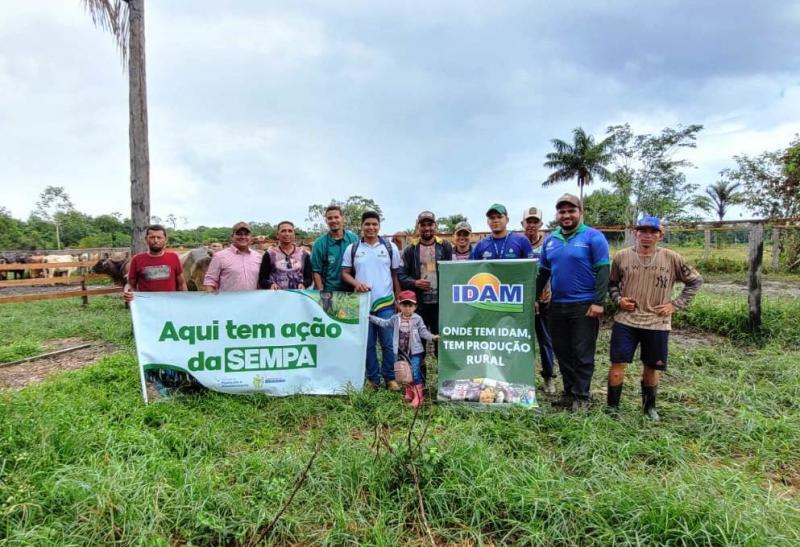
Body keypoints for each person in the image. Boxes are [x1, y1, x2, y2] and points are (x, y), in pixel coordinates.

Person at [606, 216, 703, 421]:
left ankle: (649, 407)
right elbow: (611, 283)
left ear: (660, 235)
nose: (647, 235)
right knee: (617, 364)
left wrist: (675, 305)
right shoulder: (621, 257)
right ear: (635, 233)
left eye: (652, 231)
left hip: (657, 322)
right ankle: (612, 408)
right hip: (626, 321)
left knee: (652, 366)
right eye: (642, 231)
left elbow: (695, 281)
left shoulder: (671, 258)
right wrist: (618, 300)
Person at [536, 194, 610, 411]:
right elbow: (543, 272)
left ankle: (582, 396)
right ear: (557, 215)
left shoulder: (593, 237)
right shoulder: (551, 240)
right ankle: (569, 393)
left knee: (582, 352)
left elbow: (603, 270)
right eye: (562, 211)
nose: (566, 215)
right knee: (562, 350)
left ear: (580, 212)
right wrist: (535, 298)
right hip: (557, 305)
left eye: (571, 211)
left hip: (584, 305)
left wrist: (599, 302)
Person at [341, 210, 402, 390]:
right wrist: (356, 283)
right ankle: (373, 380)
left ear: (379, 226)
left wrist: (398, 298)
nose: (371, 227)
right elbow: (344, 273)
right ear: (361, 226)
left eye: (374, 224)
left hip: (386, 303)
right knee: (367, 344)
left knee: (388, 343)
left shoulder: (390, 248)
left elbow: (395, 274)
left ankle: (390, 378)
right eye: (367, 224)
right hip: (363, 303)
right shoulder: (353, 249)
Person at [368, 290, 439, 408]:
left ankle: (418, 397)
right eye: (404, 305)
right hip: (402, 351)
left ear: (415, 307)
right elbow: (385, 323)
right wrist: (371, 318)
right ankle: (409, 393)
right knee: (405, 374)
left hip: (415, 352)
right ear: (399, 305)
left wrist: (432, 337)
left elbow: (424, 332)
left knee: (415, 373)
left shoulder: (417, 319)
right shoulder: (396, 318)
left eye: (410, 305)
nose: (407, 308)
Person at [398, 211, 453, 348]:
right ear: (418, 227)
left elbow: (452, 273)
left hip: (440, 305)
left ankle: (441, 369)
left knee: (440, 342)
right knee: (417, 344)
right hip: (418, 305)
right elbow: (401, 275)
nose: (427, 228)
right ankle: (419, 370)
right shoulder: (410, 250)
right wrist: (415, 283)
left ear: (435, 226)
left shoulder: (445, 246)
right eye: (423, 225)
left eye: (430, 224)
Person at [522, 206, 556, 395]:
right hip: (520, 304)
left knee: (545, 341)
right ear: (522, 224)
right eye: (529, 221)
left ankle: (549, 378)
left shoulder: (549, 244)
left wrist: (550, 291)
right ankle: (518, 376)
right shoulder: (517, 244)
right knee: (517, 341)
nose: (532, 225)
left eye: (535, 222)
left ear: (541, 224)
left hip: (544, 302)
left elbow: (554, 270)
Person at [123, 224, 187, 302]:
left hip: (170, 304)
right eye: (152, 237)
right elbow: (130, 284)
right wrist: (127, 292)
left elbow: (181, 284)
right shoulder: (136, 259)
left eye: (159, 237)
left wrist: (185, 300)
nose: (156, 240)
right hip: (146, 306)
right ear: (146, 239)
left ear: (165, 240)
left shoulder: (174, 257)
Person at [310, 205, 359, 291]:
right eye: (330, 218)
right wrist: (321, 293)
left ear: (343, 218)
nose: (333, 220)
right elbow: (316, 271)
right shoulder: (319, 243)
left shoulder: (354, 239)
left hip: (352, 290)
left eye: (336, 217)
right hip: (329, 291)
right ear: (326, 221)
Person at [203, 221, 262, 292]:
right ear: (232, 236)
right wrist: (211, 300)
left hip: (253, 301)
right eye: (239, 234)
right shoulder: (219, 256)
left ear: (251, 237)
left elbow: (261, 281)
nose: (243, 237)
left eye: (246, 234)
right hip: (228, 301)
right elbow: (210, 281)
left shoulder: (258, 257)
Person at [260, 221, 312, 289]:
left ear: (294, 235)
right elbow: (262, 279)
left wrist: (304, 284)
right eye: (283, 231)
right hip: (276, 296)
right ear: (277, 235)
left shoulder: (303, 254)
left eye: (290, 231)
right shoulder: (269, 254)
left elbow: (309, 278)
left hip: (298, 295)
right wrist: (270, 285)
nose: (287, 234)